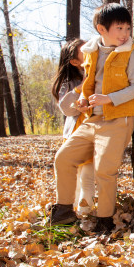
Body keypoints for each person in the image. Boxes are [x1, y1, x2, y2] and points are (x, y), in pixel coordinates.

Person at [49, 3, 134, 234]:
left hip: (118, 119)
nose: (124, 34)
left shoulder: (129, 53)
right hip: (92, 120)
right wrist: (83, 99)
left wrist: (108, 99)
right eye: (119, 28)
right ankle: (63, 212)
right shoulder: (91, 52)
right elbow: (88, 85)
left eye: (127, 28)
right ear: (102, 29)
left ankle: (104, 220)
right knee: (64, 158)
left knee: (104, 170)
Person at [50, 38, 96, 214]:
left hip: (92, 135)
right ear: (75, 62)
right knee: (72, 176)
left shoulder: (98, 75)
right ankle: (70, 207)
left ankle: (86, 212)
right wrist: (80, 88)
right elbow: (66, 108)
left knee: (87, 177)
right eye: (84, 51)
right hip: (73, 135)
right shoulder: (69, 83)